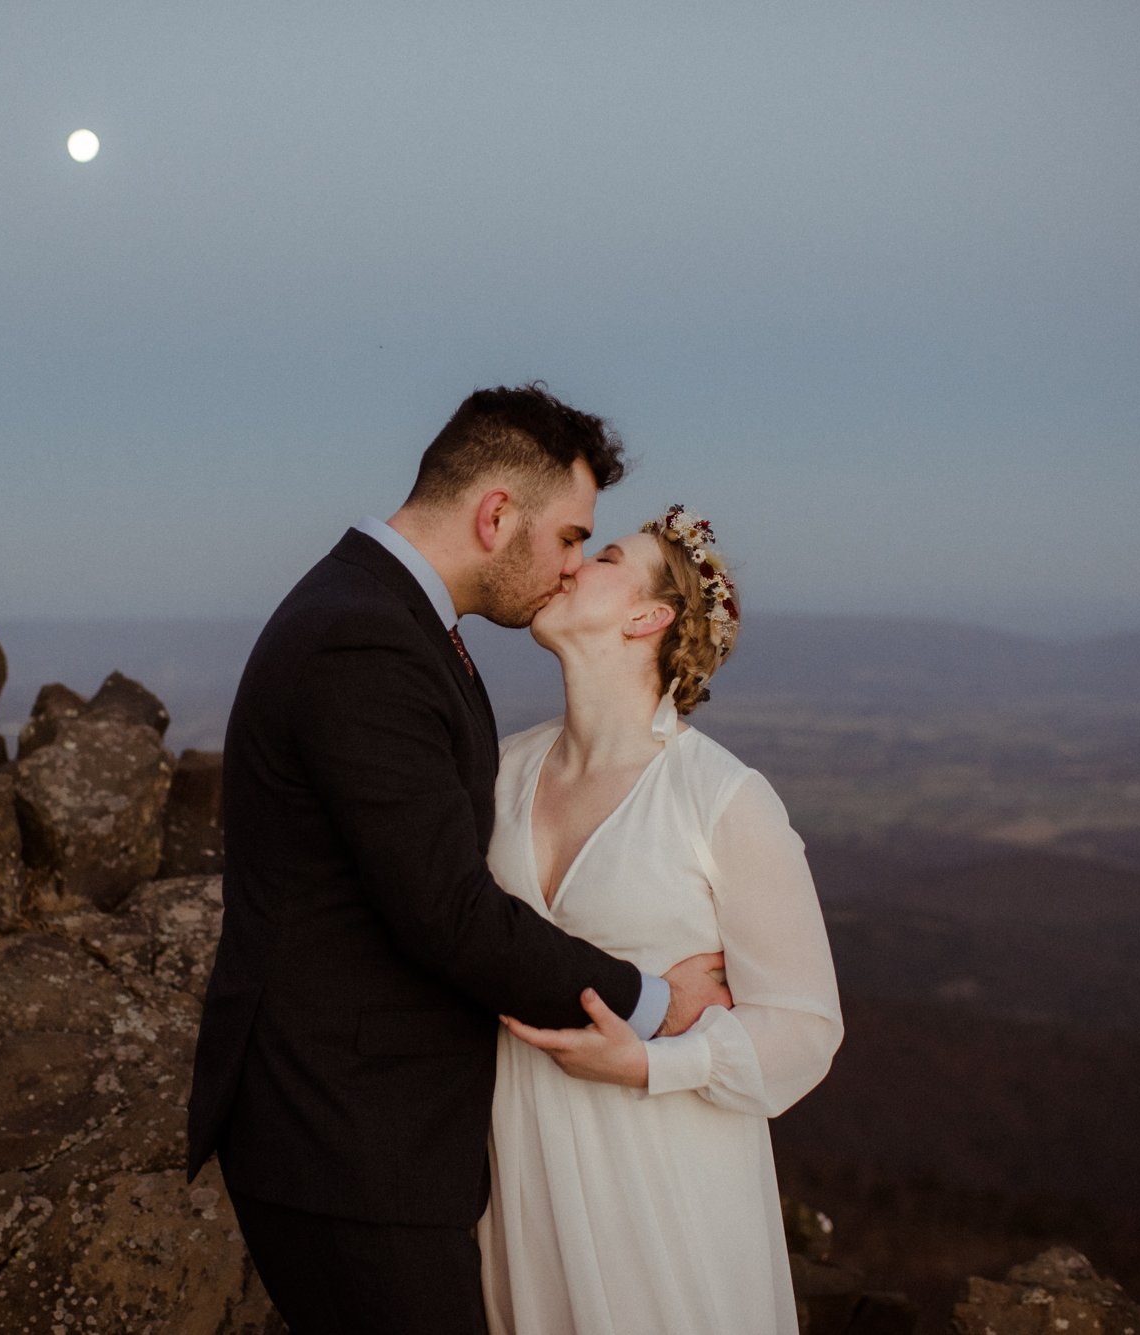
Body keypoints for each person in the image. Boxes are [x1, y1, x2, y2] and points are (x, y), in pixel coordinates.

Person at [186, 386, 732, 1334]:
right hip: (344, 1142)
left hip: (375, 1140)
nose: (569, 569)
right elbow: (447, 911)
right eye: (570, 538)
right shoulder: (366, 638)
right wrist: (654, 1001)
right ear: (494, 515)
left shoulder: (390, 618)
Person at [476, 503, 844, 1334]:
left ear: (650, 616)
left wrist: (650, 1063)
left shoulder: (722, 798)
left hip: (663, 1186)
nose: (569, 563)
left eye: (602, 556)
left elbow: (806, 1027)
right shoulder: (498, 773)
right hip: (525, 1181)